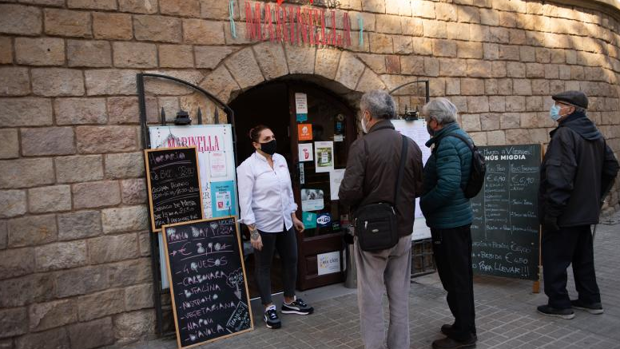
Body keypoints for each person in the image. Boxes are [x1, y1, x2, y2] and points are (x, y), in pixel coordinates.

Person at [339, 90, 423, 349]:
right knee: (400, 298)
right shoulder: (411, 145)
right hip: (403, 231)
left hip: (372, 233)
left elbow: (348, 192)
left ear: (367, 115)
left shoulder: (362, 146)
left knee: (371, 300)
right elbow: (419, 187)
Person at [538, 91, 619, 319]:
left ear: (570, 109)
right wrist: (595, 196)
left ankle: (559, 304)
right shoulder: (594, 133)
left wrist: (552, 212)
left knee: (555, 258)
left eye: (558, 105)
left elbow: (559, 178)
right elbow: (611, 167)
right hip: (585, 211)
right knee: (583, 258)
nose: (553, 108)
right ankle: (590, 299)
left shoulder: (565, 135)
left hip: (565, 211)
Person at [237, 125, 314, 329]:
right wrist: (253, 232)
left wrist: (294, 216)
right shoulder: (247, 167)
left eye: (273, 136)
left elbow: (287, 192)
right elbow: (245, 203)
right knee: (264, 266)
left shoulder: (280, 160)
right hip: (263, 225)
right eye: (267, 138)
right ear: (256, 144)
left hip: (285, 222)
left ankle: (289, 301)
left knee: (291, 260)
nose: (272, 140)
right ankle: (268, 307)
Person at [420, 98, 477, 349]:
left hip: (449, 223)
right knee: (459, 277)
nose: (426, 124)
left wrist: (425, 203)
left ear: (435, 121)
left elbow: (448, 185)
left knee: (455, 279)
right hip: (457, 218)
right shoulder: (460, 137)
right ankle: (462, 324)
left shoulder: (447, 144)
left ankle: (464, 335)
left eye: (427, 120)